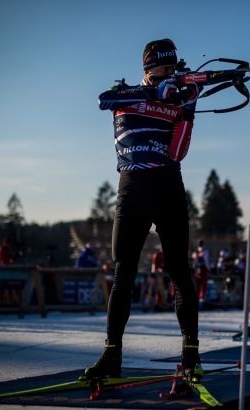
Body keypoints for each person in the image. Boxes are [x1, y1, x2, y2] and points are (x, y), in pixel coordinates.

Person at [83, 39, 202, 382]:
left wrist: (187, 109)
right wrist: (155, 94)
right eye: (164, 70)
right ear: (148, 70)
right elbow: (104, 100)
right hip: (134, 186)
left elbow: (178, 151)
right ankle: (111, 353)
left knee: (180, 270)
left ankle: (190, 354)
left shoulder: (179, 98)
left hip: (168, 184)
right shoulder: (125, 93)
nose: (171, 75)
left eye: (174, 69)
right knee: (124, 272)